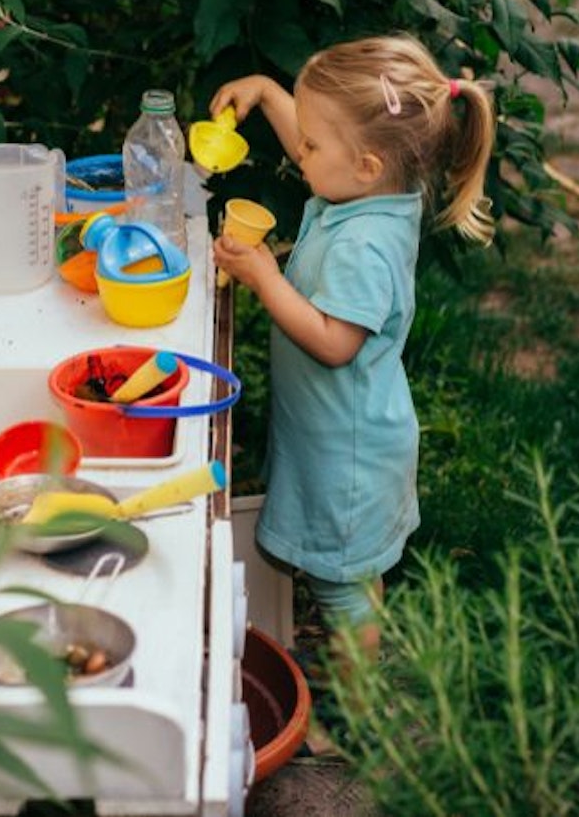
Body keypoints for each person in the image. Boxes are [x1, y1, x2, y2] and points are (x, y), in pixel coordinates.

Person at [211, 34, 496, 685]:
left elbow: (336, 342)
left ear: (365, 165)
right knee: (342, 576)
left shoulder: (364, 245)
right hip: (341, 432)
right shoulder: (379, 189)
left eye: (310, 145)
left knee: (345, 589)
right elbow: (323, 148)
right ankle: (348, 661)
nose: (299, 151)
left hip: (352, 456)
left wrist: (264, 277)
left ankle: (361, 712)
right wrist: (266, 90)